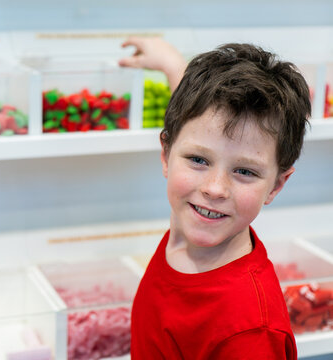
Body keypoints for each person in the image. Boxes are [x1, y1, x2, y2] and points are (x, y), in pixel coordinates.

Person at [120, 37, 311, 359]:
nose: (215, 188)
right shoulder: (192, 227)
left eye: (245, 172)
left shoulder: (250, 335)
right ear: (166, 153)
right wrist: (171, 62)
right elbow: (197, 120)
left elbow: (202, 136)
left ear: (277, 186)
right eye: (198, 160)